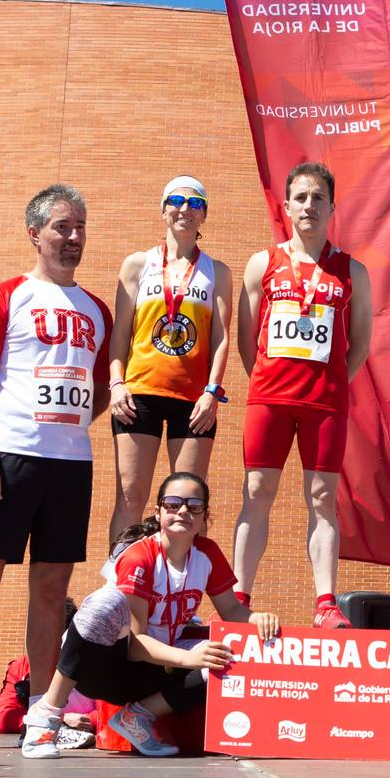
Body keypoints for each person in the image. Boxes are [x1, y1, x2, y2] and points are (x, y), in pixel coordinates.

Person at [0, 184, 112, 751]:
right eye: (63, 227)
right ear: (35, 234)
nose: (74, 237)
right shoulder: (4, 296)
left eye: (81, 226)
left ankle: (41, 714)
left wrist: (69, 417)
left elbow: (100, 392)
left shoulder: (98, 310)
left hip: (70, 464)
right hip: (9, 460)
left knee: (52, 586)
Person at [19, 472, 278, 758]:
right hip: (103, 667)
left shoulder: (208, 553)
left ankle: (138, 717)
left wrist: (256, 619)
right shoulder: (139, 557)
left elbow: (231, 609)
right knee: (105, 603)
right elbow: (136, 643)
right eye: (173, 503)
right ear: (158, 512)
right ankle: (45, 715)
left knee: (235, 652)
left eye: (194, 506)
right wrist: (188, 658)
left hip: (154, 669)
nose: (183, 511)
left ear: (204, 516)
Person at [231, 162, 373, 628]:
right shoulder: (262, 263)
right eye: (301, 197)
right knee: (257, 491)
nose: (309, 205)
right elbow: (247, 337)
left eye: (319, 198)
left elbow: (360, 344)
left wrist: (328, 384)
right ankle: (239, 597)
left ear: (332, 207)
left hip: (325, 404)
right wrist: (268, 382)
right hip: (269, 398)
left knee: (321, 499)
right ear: (286, 206)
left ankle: (325, 604)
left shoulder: (352, 271)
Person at [107, 175, 233, 544]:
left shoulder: (217, 272)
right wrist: (116, 384)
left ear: (204, 215)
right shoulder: (137, 265)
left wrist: (212, 392)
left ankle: (184, 594)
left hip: (194, 401)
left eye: (195, 204)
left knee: (190, 502)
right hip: (138, 394)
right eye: (177, 201)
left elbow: (222, 338)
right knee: (130, 498)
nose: (185, 209)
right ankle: (122, 589)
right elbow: (120, 336)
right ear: (163, 210)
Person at [0, 599, 94, 747]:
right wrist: (60, 720)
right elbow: (3, 719)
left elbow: (109, 716)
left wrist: (89, 720)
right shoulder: (20, 666)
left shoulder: (91, 664)